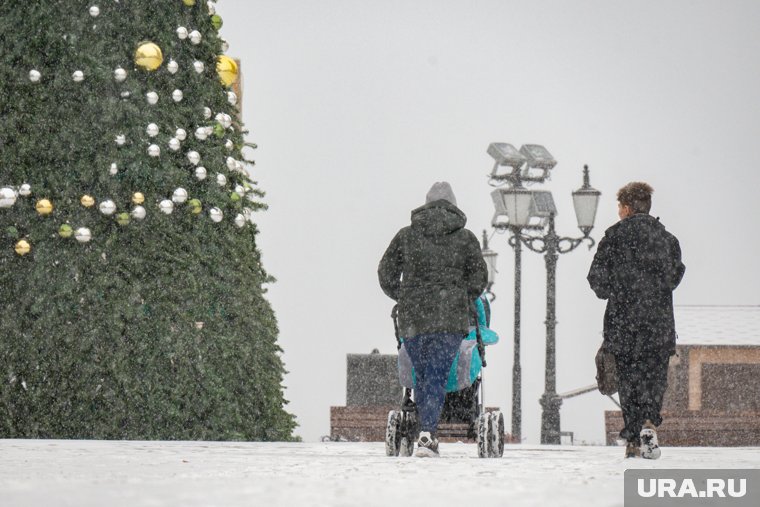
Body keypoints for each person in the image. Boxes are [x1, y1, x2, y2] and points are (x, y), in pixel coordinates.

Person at [378, 182, 487, 457]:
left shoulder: (406, 236)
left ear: (426, 204)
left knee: (423, 375)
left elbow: (385, 272)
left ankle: (425, 429)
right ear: (453, 205)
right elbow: (479, 279)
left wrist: (402, 295)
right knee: (437, 373)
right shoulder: (466, 239)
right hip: (449, 319)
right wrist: (461, 298)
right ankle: (427, 434)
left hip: (413, 318)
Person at [587, 182, 685, 459]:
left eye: (619, 206)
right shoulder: (667, 239)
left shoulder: (613, 237)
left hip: (623, 323)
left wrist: (619, 287)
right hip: (658, 323)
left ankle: (632, 433)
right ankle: (649, 422)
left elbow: (597, 282)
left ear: (627, 208)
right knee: (654, 378)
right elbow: (674, 278)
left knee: (628, 379)